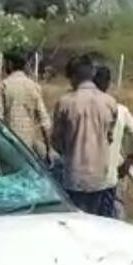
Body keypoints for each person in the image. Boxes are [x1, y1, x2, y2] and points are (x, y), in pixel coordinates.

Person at [52, 54, 117, 217]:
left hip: (74, 175)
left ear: (73, 77)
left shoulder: (65, 102)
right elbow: (110, 137)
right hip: (100, 176)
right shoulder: (110, 102)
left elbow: (56, 141)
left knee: (75, 220)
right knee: (96, 220)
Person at [93, 65, 133, 219]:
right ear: (108, 83)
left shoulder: (79, 107)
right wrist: (128, 162)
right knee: (114, 213)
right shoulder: (120, 110)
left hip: (85, 177)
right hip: (112, 174)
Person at [0, 49, 51, 164]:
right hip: (28, 146)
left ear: (10, 64)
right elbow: (44, 121)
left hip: (8, 144)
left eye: (5, 63)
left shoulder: (4, 85)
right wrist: (48, 149)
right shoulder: (34, 86)